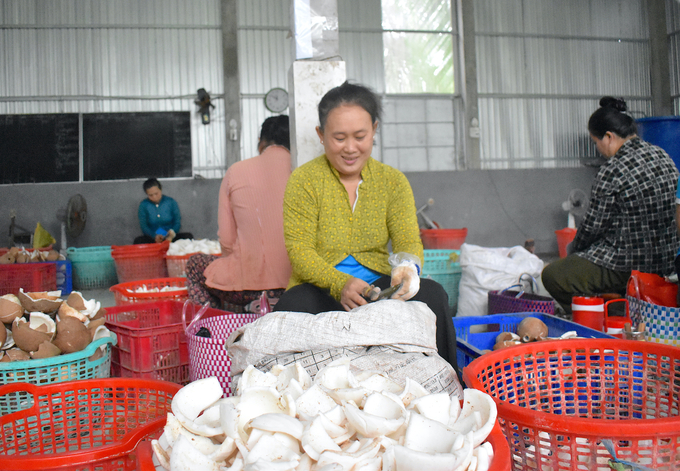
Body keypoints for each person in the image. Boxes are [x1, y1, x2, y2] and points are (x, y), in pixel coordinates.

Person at [273, 81, 457, 367]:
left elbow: (408, 240)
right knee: (292, 306)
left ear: (374, 130)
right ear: (321, 135)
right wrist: (340, 284)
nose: (350, 148)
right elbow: (300, 252)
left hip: (378, 287)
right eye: (339, 137)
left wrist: (408, 268)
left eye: (360, 136)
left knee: (433, 296)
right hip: (322, 287)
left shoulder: (392, 182)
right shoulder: (305, 181)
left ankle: (448, 385)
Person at [542, 96, 679, 314]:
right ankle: (624, 300)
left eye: (596, 142)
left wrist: (573, 251)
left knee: (554, 275)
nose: (598, 149)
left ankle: (611, 314)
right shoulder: (664, 156)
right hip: (667, 262)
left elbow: (592, 229)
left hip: (627, 264)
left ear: (608, 137)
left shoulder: (612, 170)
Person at [186, 115, 292, 309]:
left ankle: (212, 332)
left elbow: (226, 240)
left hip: (246, 288)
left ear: (261, 143)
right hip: (297, 287)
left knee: (194, 264)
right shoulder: (304, 170)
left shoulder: (236, 171)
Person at [134, 178, 193, 244]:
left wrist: (172, 233)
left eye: (156, 193)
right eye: (150, 195)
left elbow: (177, 221)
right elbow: (144, 226)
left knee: (188, 237)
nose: (154, 197)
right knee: (138, 241)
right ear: (146, 194)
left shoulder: (171, 202)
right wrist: (154, 236)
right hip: (153, 238)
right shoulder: (143, 205)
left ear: (161, 190)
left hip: (171, 237)